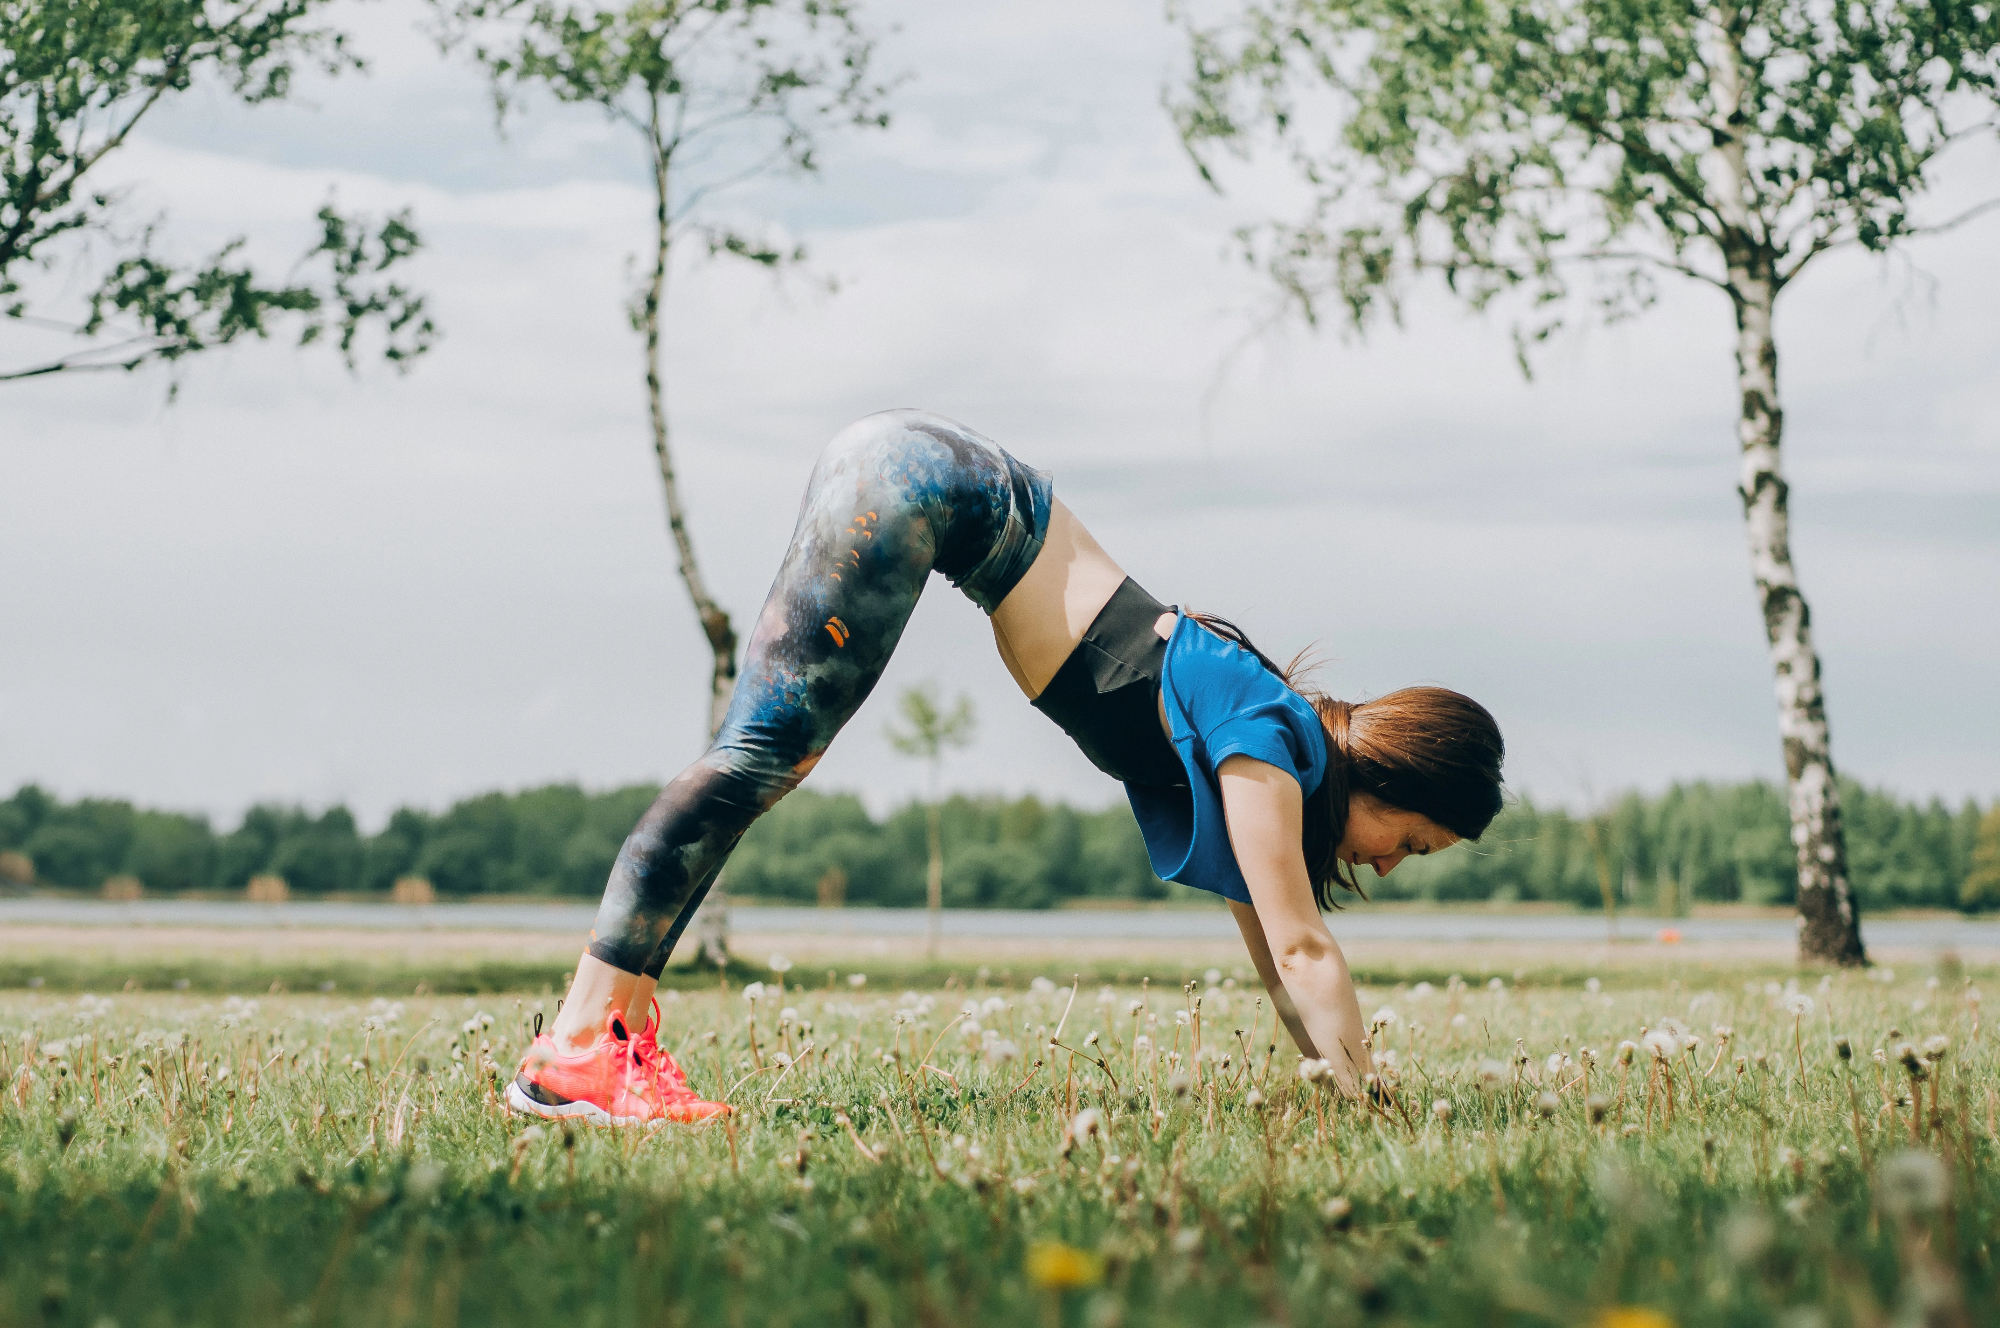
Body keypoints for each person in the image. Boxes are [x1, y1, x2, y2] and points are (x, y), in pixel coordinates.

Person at [509, 409, 1505, 1124]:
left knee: (759, 757)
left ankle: (615, 1047)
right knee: (761, 755)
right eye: (1408, 842)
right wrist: (1374, 1101)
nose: (1384, 864)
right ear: (1387, 778)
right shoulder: (1269, 738)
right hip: (925, 485)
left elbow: (1276, 957)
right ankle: (577, 1048)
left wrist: (1338, 1086)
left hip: (930, 479)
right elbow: (1303, 951)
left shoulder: (1263, 745)